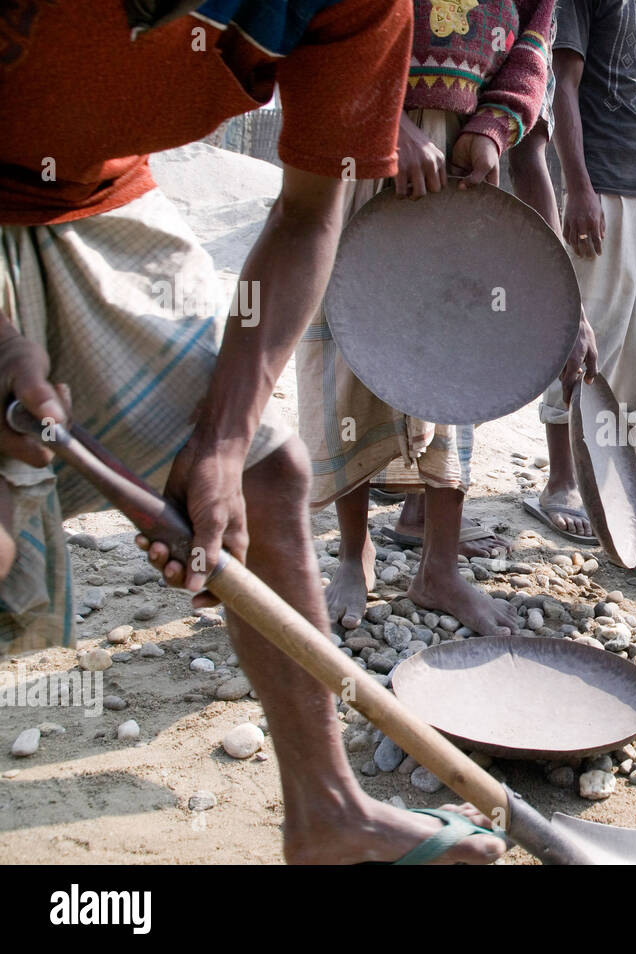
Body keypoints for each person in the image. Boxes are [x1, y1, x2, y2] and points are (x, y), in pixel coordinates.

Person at [0, 0, 502, 864]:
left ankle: (329, 815)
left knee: (266, 474)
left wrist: (224, 439)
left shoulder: (364, 11)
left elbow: (309, 214)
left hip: (89, 199)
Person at [298, 0, 594, 635]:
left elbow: (532, 49)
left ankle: (439, 569)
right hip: (356, 133)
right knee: (350, 340)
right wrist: (387, 125)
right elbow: (327, 23)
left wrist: (491, 127)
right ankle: (354, 554)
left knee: (456, 351)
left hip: (459, 154)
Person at [529, 0, 636, 542]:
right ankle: (561, 480)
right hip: (604, 179)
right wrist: (578, 185)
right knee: (591, 327)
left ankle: (618, 456)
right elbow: (565, 88)